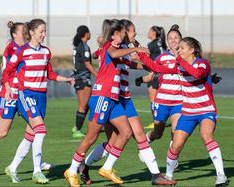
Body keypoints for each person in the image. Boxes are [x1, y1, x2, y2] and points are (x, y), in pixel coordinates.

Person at [79, 19, 177, 186]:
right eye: (132, 31)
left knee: (139, 135)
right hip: (112, 98)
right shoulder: (115, 47)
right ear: (123, 31)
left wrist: (148, 65)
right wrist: (104, 47)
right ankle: (85, 165)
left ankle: (155, 175)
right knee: (111, 143)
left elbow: (131, 63)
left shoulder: (124, 48)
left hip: (124, 98)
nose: (135, 34)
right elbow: (102, 50)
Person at [64, 19, 147, 187]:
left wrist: (150, 66)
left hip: (113, 98)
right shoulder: (111, 45)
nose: (127, 35)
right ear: (116, 33)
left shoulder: (116, 47)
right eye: (125, 32)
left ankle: (107, 167)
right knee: (91, 137)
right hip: (102, 97)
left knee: (125, 132)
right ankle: (72, 170)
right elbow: (112, 53)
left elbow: (127, 62)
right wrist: (137, 48)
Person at [0, 21, 52, 180]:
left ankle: (34, 165)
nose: (26, 32)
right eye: (23, 31)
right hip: (9, 94)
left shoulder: (26, 48)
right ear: (15, 34)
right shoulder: (14, 48)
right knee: (3, 131)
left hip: (22, 93)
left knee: (35, 129)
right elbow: (6, 70)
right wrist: (7, 87)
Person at [2, 19, 75, 184]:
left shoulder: (46, 52)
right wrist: (7, 87)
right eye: (41, 31)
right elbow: (7, 71)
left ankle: (12, 167)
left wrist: (66, 80)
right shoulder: (22, 51)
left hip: (41, 97)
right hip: (26, 94)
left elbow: (50, 74)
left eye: (45, 31)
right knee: (40, 130)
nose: (43, 34)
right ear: (32, 32)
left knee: (31, 135)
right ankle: (37, 171)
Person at [164, 37, 228, 187]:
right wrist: (141, 55)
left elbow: (197, 74)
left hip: (206, 110)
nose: (179, 50)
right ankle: (168, 176)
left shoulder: (202, 63)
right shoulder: (179, 65)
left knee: (207, 136)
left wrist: (180, 60)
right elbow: (159, 68)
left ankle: (221, 175)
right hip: (187, 112)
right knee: (176, 145)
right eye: (178, 48)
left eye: (182, 48)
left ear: (192, 50)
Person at [135, 26, 167, 129]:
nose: (148, 32)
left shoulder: (152, 45)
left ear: (153, 32)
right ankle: (161, 120)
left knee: (153, 99)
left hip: (155, 73)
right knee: (160, 98)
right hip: (164, 73)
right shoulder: (162, 43)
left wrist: (136, 59)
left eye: (149, 30)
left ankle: (156, 122)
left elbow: (150, 62)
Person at [71, 25, 97, 138]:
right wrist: (98, 75)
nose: (90, 34)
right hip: (83, 79)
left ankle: (79, 127)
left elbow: (84, 59)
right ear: (86, 34)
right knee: (83, 105)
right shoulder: (84, 46)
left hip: (79, 77)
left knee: (88, 104)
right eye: (89, 32)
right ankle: (77, 129)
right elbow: (87, 64)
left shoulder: (78, 45)